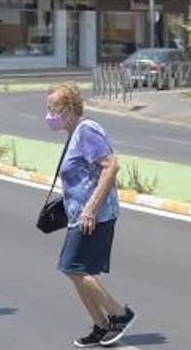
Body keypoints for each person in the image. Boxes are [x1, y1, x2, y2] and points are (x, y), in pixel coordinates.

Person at [45, 83, 137, 347]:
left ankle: (119, 314)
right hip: (80, 215)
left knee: (72, 267)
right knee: (75, 269)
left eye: (54, 109)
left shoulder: (87, 130)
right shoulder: (75, 133)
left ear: (70, 109)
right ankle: (101, 325)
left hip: (94, 215)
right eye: (48, 108)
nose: (49, 115)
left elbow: (111, 165)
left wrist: (90, 208)